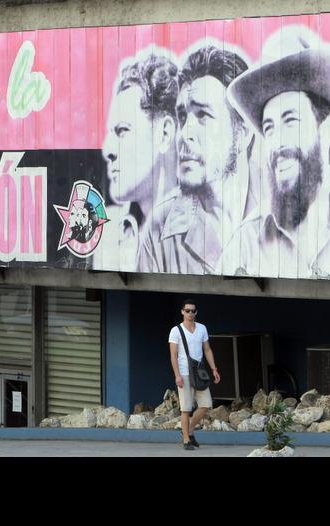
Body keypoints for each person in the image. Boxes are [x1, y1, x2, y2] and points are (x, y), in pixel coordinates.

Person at [227, 27, 330, 281]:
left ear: (328, 129)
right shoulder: (244, 245)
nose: (277, 143)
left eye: (291, 121)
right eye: (269, 128)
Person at [138, 43, 259, 275]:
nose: (184, 133)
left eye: (203, 114)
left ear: (242, 133)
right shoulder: (159, 229)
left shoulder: (283, 213)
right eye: (182, 117)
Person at [94, 50, 179, 272]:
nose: (108, 150)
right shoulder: (106, 233)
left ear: (164, 134)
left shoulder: (204, 228)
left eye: (122, 131)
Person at [167, 298, 220, 450]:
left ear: (196, 312)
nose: (190, 313)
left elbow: (207, 349)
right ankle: (186, 440)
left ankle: (189, 431)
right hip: (184, 373)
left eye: (193, 311)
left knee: (206, 405)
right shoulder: (176, 330)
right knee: (186, 408)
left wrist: (214, 368)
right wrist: (177, 375)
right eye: (187, 310)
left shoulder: (202, 328)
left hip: (199, 372)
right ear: (182, 311)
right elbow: (173, 355)